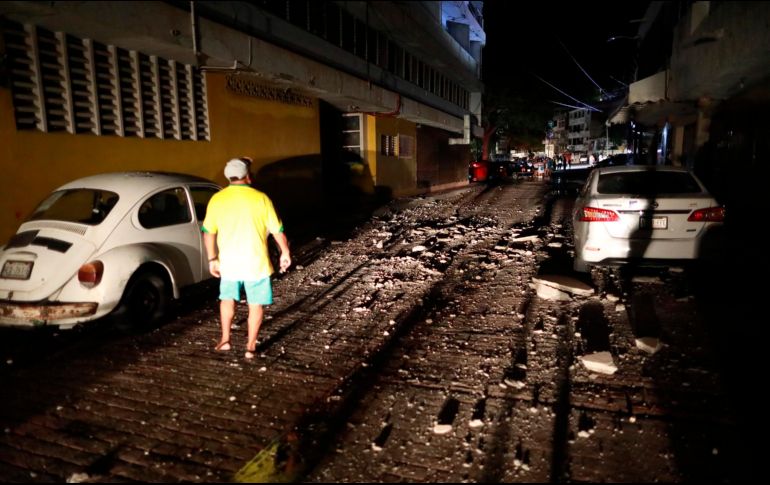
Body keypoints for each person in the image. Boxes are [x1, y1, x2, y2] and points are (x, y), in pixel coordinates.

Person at [202, 157, 292, 359]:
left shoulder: (217, 199)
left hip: (229, 263)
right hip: (256, 263)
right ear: (248, 176)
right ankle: (250, 346)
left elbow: (208, 232)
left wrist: (212, 258)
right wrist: (285, 252)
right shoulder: (261, 198)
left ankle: (225, 340)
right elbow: (277, 230)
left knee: (227, 300)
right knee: (255, 304)